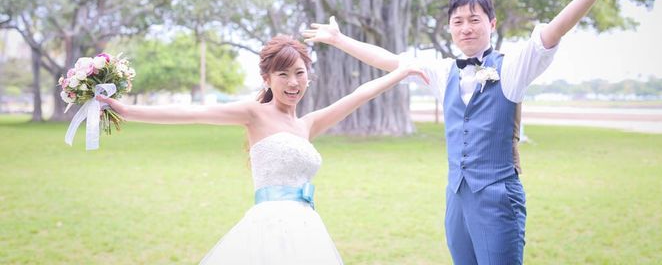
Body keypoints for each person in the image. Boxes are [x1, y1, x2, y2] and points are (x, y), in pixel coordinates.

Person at [302, 0, 648, 265]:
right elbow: (391, 61)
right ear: (449, 28)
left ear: (492, 24)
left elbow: (553, 31)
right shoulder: (442, 72)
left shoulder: (512, 67)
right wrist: (339, 40)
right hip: (457, 198)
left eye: (474, 19)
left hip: (498, 197)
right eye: (458, 21)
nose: (465, 28)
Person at [97, 34, 427, 265]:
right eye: (283, 74)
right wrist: (127, 111)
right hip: (268, 227)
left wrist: (400, 72)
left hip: (307, 228)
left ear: (309, 77)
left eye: (299, 73)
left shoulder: (308, 125)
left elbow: (359, 95)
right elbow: (192, 112)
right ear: (267, 79)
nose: (293, 82)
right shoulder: (253, 114)